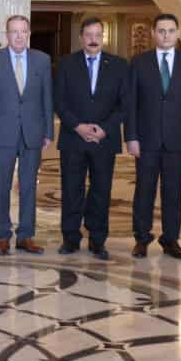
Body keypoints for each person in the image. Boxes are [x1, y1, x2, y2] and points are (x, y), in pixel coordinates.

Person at [124, 13, 181, 259]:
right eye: (161, 31)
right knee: (144, 191)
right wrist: (131, 136)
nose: (166, 35)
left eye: (170, 31)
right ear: (153, 33)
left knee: (173, 192)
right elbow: (131, 102)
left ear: (178, 33)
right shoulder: (139, 62)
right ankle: (141, 238)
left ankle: (171, 240)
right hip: (146, 139)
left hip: (176, 140)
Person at [55, 16, 129, 259]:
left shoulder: (119, 65)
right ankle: (70, 239)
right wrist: (78, 126)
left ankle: (98, 240)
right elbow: (59, 101)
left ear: (103, 37)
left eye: (98, 35)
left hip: (104, 140)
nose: (93, 40)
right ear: (81, 38)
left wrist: (104, 128)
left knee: (101, 191)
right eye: (89, 35)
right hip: (73, 138)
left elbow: (124, 104)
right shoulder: (66, 64)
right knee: (71, 190)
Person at [0, 14, 53, 255]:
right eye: (14, 31)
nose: (19, 36)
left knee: (29, 186)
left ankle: (26, 236)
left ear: (29, 34)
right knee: (1, 186)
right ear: (7, 35)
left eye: (23, 31)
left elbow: (47, 98)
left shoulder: (42, 60)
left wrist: (48, 131)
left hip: (33, 132)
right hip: (1, 132)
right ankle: (2, 236)